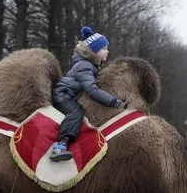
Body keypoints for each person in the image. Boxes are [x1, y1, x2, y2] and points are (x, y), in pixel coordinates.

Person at [50, 26, 128, 161]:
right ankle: (60, 146)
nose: (107, 51)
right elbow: (93, 90)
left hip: (69, 96)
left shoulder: (89, 65)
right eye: (103, 49)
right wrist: (115, 102)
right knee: (76, 112)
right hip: (62, 96)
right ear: (93, 51)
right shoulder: (84, 66)